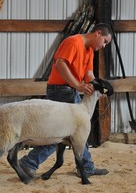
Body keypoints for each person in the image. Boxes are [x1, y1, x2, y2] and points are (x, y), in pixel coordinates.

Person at [19, 23, 112, 178]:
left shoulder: (89, 50)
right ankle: (29, 162)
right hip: (60, 90)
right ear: (98, 33)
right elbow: (60, 64)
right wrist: (78, 85)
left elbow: (88, 73)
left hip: (70, 90)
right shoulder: (74, 42)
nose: (104, 46)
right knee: (61, 132)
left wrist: (97, 87)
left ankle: (86, 167)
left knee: (79, 130)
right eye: (105, 42)